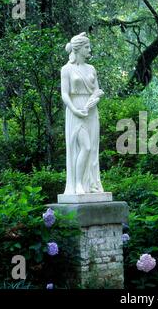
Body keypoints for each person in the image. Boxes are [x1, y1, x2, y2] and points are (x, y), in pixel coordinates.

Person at [61, 32, 104, 194]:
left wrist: (94, 101)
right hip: (75, 110)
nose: (89, 49)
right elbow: (65, 93)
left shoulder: (91, 68)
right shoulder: (66, 69)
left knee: (92, 148)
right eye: (86, 47)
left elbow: (97, 90)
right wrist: (74, 109)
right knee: (84, 147)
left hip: (91, 111)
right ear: (78, 49)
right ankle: (77, 184)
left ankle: (92, 184)